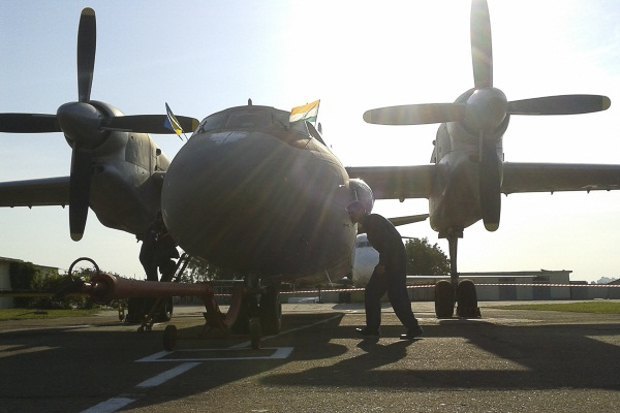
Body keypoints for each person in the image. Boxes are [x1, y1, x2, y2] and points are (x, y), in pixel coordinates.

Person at [347, 201, 423, 340]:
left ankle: (375, 329)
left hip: (393, 261)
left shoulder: (373, 221)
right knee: (391, 295)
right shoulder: (371, 223)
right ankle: (412, 328)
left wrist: (383, 264)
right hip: (394, 260)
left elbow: (388, 243)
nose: (351, 214)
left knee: (381, 294)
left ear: (363, 210)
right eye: (350, 212)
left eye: (353, 211)